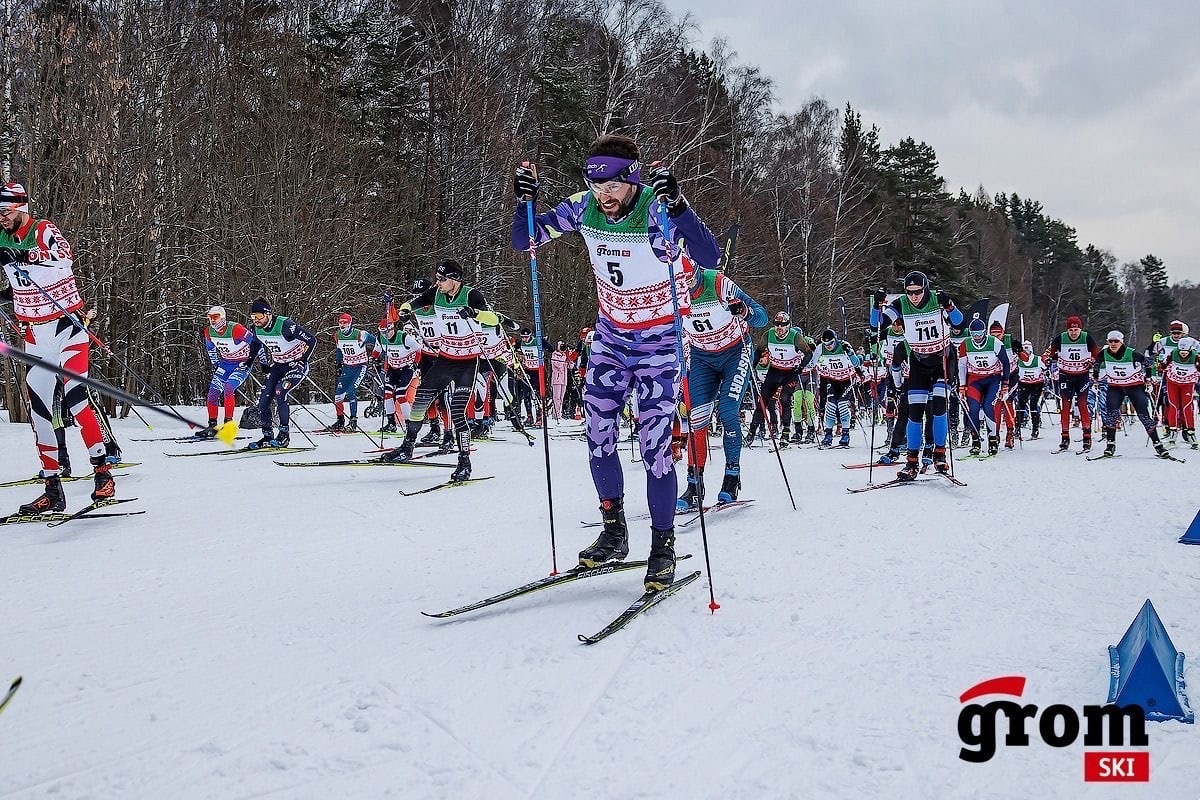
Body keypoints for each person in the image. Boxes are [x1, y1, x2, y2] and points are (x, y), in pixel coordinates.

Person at [512, 133, 721, 591]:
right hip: (610, 335)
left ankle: (662, 544)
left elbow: (710, 257)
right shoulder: (583, 205)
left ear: (633, 179)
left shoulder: (656, 208)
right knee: (598, 435)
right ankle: (613, 530)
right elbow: (523, 240)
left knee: (654, 447)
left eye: (611, 185)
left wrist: (682, 206)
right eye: (594, 183)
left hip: (660, 339)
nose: (602, 194)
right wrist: (524, 202)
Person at [0, 181, 115, 511]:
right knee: (39, 411)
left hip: (67, 330)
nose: (1, 218)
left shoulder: (42, 230)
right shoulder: (2, 236)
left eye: (4, 212)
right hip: (36, 338)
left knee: (76, 400)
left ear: (20, 208)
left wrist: (24, 253)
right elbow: (20, 282)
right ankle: (52, 489)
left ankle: (103, 474)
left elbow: (63, 261)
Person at [383, 260, 498, 481]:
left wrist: (474, 314)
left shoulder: (471, 295)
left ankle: (464, 461)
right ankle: (407, 446)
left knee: (457, 411)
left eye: (442, 279)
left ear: (455, 280)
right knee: (419, 404)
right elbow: (412, 304)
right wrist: (405, 311)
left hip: (467, 362)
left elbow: (492, 319)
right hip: (445, 359)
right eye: (437, 278)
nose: (438, 282)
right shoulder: (435, 294)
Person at [675, 258, 767, 511]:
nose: (687, 288)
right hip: (702, 358)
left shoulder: (717, 283)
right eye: (681, 284)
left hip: (735, 353)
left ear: (697, 273)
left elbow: (762, 317)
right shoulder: (671, 294)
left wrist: (743, 311)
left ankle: (731, 478)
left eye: (690, 280)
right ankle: (694, 485)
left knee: (727, 412)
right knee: (697, 420)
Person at [878, 270, 963, 479]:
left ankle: (940, 454)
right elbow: (878, 325)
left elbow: (960, 323)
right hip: (919, 360)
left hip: (943, 359)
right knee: (914, 412)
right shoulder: (900, 304)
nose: (914, 296)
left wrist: (950, 305)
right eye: (909, 292)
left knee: (939, 407)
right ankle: (912, 461)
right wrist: (876, 307)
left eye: (917, 292)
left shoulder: (937, 300)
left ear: (925, 288)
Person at [245, 298, 316, 449]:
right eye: (253, 317)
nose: (256, 320)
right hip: (278, 366)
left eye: (259, 316)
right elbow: (256, 344)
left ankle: (284, 435)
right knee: (263, 401)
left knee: (280, 391)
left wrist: (303, 360)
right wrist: (249, 362)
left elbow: (311, 340)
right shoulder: (256, 328)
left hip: (295, 366)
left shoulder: (285, 325)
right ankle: (267, 436)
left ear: (268, 314)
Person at [1094, 331, 1170, 458]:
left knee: (1143, 416)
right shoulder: (1104, 353)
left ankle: (1158, 446)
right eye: (1110, 341)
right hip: (1115, 387)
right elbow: (1096, 365)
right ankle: (1110, 446)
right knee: (1111, 415)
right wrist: (1096, 380)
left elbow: (1148, 363)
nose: (1113, 344)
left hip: (1134, 387)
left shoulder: (1131, 352)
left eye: (1116, 341)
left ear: (1121, 342)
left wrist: (1148, 379)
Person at [746, 312, 809, 446]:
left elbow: (809, 353)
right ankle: (752, 431)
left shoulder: (795, 336)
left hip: (790, 372)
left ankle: (785, 431)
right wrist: (752, 366)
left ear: (788, 325)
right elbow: (758, 351)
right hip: (774, 371)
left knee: (785, 398)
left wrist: (801, 366)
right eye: (777, 325)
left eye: (783, 325)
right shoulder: (768, 334)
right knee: (762, 401)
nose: (779, 328)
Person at [1042, 315, 1100, 453]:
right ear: (1067, 330)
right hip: (1065, 376)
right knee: (1065, 405)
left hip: (1082, 376)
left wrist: (1092, 361)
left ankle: (1087, 437)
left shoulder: (1086, 337)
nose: (1073, 332)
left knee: (1082, 404)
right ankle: (1065, 438)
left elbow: (1097, 353)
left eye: (1076, 329)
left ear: (1080, 329)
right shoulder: (1061, 338)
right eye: (1071, 329)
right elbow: (1047, 353)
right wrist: (1047, 360)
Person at [198, 305, 255, 438]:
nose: (212, 320)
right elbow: (210, 349)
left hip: (241, 364)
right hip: (226, 364)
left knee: (228, 388)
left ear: (222, 318)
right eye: (210, 317)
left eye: (215, 317)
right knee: (213, 392)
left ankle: (228, 425)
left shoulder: (235, 329)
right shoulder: (209, 332)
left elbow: (255, 342)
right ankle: (212, 425)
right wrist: (216, 363)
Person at [958, 318, 1011, 457]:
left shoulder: (995, 343)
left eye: (979, 334)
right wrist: (962, 385)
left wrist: (1005, 384)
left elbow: (1006, 363)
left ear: (984, 333)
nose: (976, 337)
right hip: (974, 379)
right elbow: (962, 366)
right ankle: (975, 441)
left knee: (988, 406)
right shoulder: (965, 344)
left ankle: (993, 439)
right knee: (973, 408)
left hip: (992, 379)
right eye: (974, 334)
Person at [812, 327, 863, 448]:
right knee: (830, 404)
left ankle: (845, 434)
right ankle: (828, 434)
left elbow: (856, 363)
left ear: (835, 340)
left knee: (841, 403)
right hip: (833, 380)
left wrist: (850, 353)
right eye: (826, 343)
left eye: (830, 343)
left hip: (848, 380)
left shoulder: (844, 345)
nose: (828, 346)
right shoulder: (820, 348)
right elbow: (812, 363)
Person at [371, 315, 422, 435]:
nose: (385, 335)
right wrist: (374, 359)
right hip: (392, 369)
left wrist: (415, 363)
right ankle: (391, 423)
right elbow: (376, 351)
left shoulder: (403, 337)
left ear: (392, 329)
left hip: (406, 369)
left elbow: (418, 350)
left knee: (400, 395)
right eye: (382, 332)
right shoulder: (380, 338)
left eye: (387, 332)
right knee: (387, 394)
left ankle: (410, 424)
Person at [327, 313, 375, 432]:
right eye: (340, 323)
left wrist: (377, 357)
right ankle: (340, 420)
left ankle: (353, 421)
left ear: (350, 323)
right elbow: (339, 350)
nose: (342, 325)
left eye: (345, 323)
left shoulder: (360, 334)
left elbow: (377, 342)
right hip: (347, 367)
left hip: (360, 367)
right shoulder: (337, 335)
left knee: (352, 390)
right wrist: (338, 364)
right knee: (338, 395)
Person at [1162, 336, 1198, 447]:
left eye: (1186, 352)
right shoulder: (1173, 353)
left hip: (1187, 383)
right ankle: (1172, 434)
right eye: (1181, 351)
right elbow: (1164, 364)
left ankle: (1191, 433)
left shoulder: (1195, 356)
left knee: (1187, 406)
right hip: (1173, 382)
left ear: (1190, 350)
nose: (1183, 354)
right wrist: (1161, 367)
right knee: (1173, 406)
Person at [1014, 340, 1046, 439]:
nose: (1026, 352)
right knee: (1021, 405)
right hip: (1024, 383)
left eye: (1028, 349)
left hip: (1037, 384)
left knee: (1033, 404)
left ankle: (1035, 429)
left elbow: (1045, 367)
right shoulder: (1018, 360)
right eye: (1024, 350)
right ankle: (1017, 429)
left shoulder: (1038, 359)